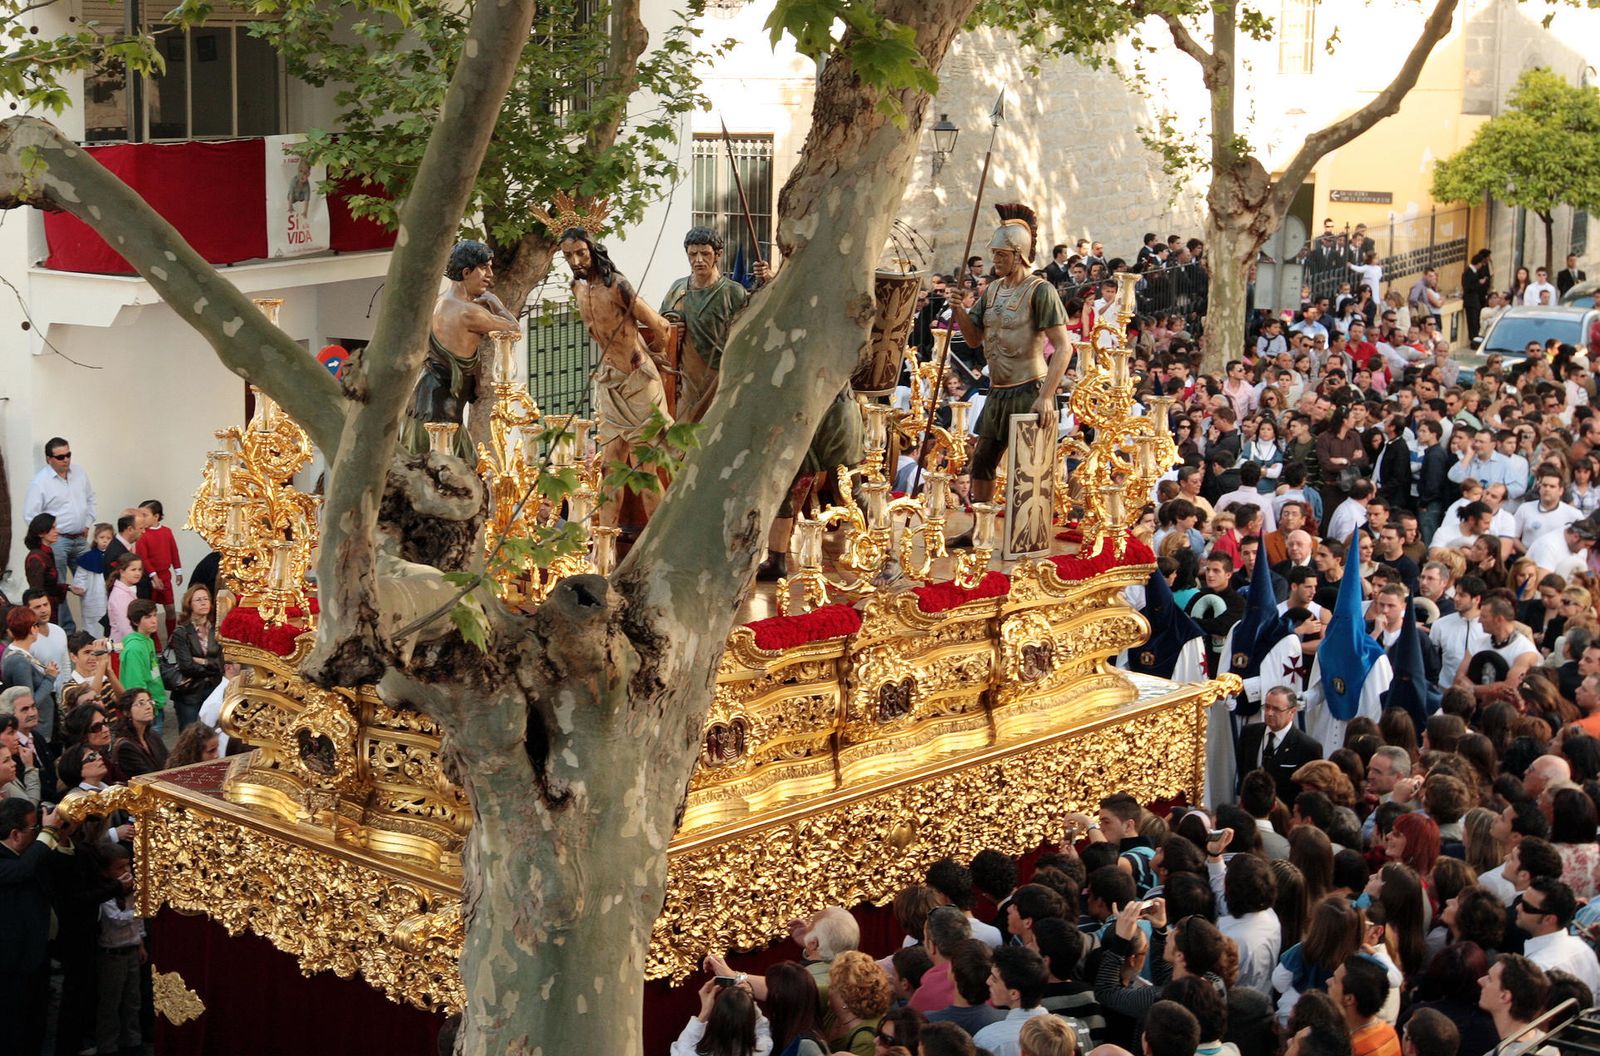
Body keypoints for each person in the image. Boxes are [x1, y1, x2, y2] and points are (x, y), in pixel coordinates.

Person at [946, 204, 1073, 535]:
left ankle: (1026, 537)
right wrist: (959, 309)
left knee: (1027, 472)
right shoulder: (991, 291)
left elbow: (1064, 346)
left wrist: (1047, 397)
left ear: (1019, 254)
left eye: (1001, 255)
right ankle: (980, 530)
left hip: (1030, 389)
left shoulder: (1040, 291)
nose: (995, 261)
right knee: (983, 461)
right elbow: (973, 340)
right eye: (994, 254)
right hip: (998, 391)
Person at [556, 222, 677, 531]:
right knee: (610, 467)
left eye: (581, 253)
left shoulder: (617, 286)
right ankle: (605, 549)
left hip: (637, 383)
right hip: (610, 383)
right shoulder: (577, 288)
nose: (575, 262)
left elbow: (662, 327)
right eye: (567, 256)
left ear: (593, 250)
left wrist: (654, 353)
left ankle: (657, 546)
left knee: (644, 469)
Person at [401, 239, 520, 461]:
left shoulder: (439, 302)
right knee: (453, 478)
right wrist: (495, 303)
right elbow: (513, 329)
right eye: (484, 267)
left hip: (430, 399)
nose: (490, 275)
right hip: (440, 409)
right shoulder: (469, 313)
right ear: (466, 272)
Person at [660, 226, 758, 422]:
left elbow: (749, 339)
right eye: (692, 254)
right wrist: (671, 330)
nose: (698, 260)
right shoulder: (677, 288)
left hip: (719, 381)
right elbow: (660, 326)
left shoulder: (733, 293)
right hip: (685, 381)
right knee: (682, 439)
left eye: (705, 253)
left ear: (718, 255)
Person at [22, 436, 96, 631]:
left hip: (81, 538)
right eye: (60, 456)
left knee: (91, 581)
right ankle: (65, 632)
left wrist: (88, 522)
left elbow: (90, 498)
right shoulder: (40, 482)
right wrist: (47, 536)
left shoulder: (79, 473)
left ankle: (94, 629)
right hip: (58, 541)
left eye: (68, 454)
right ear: (49, 459)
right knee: (58, 587)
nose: (66, 460)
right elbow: (31, 515)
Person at [972, 946, 1052, 1056]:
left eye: (994, 979)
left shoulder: (988, 1040)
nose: (988, 981)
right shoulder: (1071, 1031)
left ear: (1014, 994)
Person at [169, 583, 225, 730]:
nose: (203, 602)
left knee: (212, 733)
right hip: (189, 693)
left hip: (213, 689)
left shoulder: (216, 630)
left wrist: (203, 661)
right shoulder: (181, 632)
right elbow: (187, 666)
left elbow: (222, 663)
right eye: (198, 600)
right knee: (190, 736)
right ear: (189, 604)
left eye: (206, 599)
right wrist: (212, 665)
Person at [669, 978, 773, 1056]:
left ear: (715, 1018)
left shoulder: (689, 1053)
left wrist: (704, 1013)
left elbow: (681, 1048)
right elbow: (763, 1029)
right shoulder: (763, 1049)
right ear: (750, 1023)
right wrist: (749, 1003)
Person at [1, 606, 58, 744]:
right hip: (37, 730)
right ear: (33, 629)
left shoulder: (16, 653)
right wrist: (50, 678)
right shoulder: (19, 661)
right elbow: (29, 701)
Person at [118, 599, 169, 736]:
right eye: (147, 617)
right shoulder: (134, 648)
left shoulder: (148, 640)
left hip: (156, 706)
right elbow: (135, 685)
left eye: (154, 615)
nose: (154, 620)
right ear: (135, 622)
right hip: (147, 710)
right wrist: (149, 707)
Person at [133, 499, 183, 642]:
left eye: (145, 515)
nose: (142, 518)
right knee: (150, 611)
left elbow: (173, 551)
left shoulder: (167, 532)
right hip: (150, 578)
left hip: (165, 576)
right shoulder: (142, 535)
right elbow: (144, 558)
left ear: (156, 516)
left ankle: (173, 639)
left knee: (171, 608)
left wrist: (178, 570)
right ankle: (154, 641)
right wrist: (153, 576)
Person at [22, 514, 69, 628]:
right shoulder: (36, 558)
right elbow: (37, 590)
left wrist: (69, 588)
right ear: (41, 533)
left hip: (50, 607)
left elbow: (49, 583)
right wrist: (43, 609)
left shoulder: (47, 552)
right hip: (43, 612)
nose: (57, 531)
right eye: (52, 528)